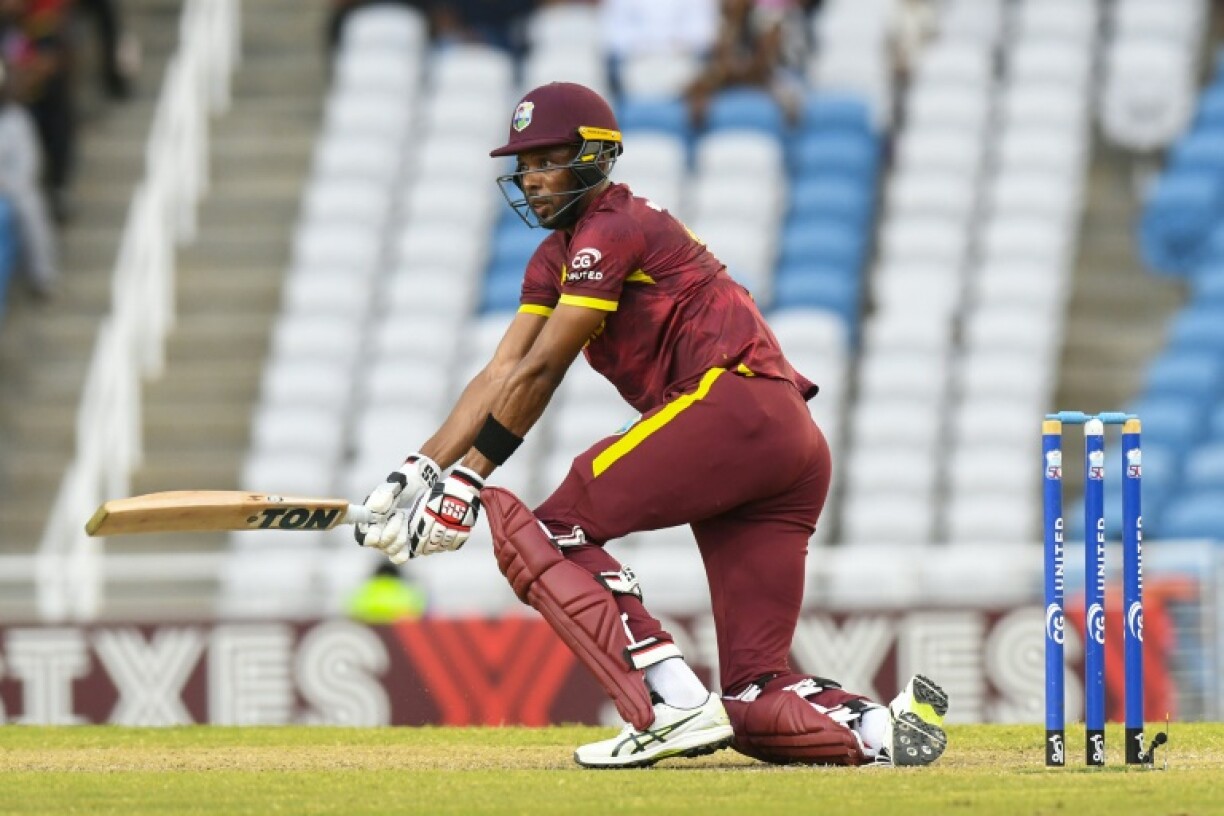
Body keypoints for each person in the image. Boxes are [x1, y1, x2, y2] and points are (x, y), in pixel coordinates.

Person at [353, 81, 949, 769]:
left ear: (596, 158)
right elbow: (501, 373)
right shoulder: (557, 256)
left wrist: (466, 482)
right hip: (782, 439)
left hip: (735, 409)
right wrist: (418, 471)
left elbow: (544, 369)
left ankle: (669, 702)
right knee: (756, 688)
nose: (531, 178)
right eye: (524, 164)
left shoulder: (613, 226)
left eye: (546, 159)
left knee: (548, 532)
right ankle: (882, 731)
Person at [0, 59, 58, 297]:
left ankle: (42, 276)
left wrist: (4, 184)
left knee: (30, 212)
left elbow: (29, 167)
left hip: (13, 192)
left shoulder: (17, 120)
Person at [346, 561, 427, 624]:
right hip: (399, 636)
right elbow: (417, 615)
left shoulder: (364, 590)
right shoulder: (407, 591)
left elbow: (352, 614)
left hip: (370, 635)